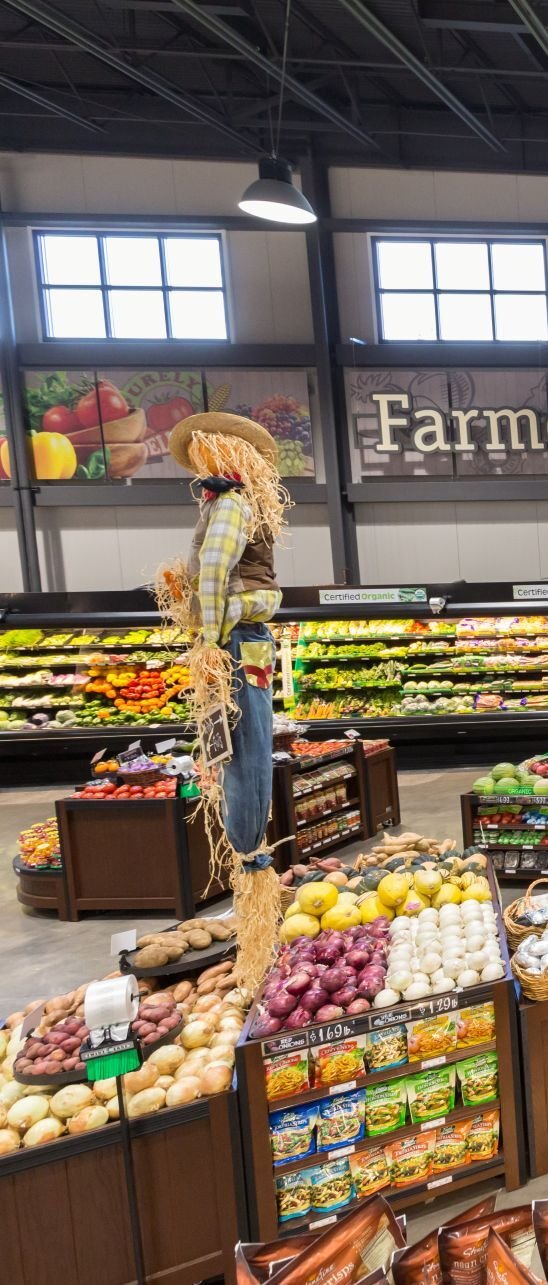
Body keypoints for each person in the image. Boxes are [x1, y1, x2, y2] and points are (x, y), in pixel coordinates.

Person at [153, 411, 290, 987]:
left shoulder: (231, 503)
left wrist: (207, 635)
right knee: (243, 745)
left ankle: (251, 860)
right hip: (238, 641)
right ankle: (250, 863)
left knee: (246, 744)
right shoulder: (228, 502)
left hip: (233, 641)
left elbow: (215, 570)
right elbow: (208, 571)